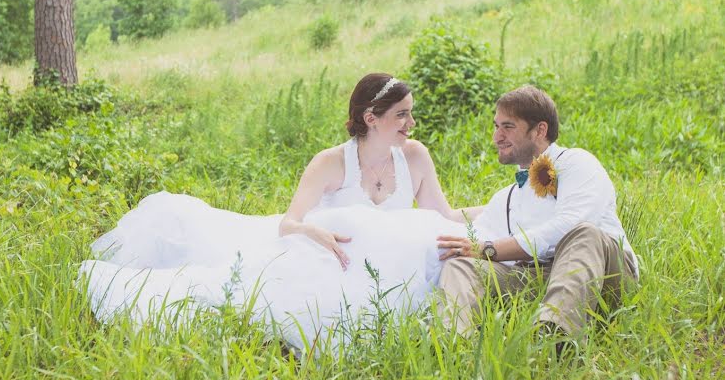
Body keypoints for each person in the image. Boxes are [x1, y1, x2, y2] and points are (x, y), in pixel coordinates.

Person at [79, 73, 474, 350]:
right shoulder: (331, 162)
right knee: (243, 298)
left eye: (411, 112)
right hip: (329, 257)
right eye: (402, 114)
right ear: (372, 118)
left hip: (389, 266)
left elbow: (443, 214)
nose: (412, 122)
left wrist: (499, 205)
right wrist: (314, 232)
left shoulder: (415, 156)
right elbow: (289, 223)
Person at [436, 85, 639, 343]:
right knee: (462, 263)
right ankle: (451, 343)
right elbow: (468, 228)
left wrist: (489, 248)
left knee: (584, 233)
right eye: (496, 126)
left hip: (605, 275)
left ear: (540, 130)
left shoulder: (576, 163)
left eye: (507, 127)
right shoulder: (506, 197)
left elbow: (569, 225)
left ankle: (554, 338)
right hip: (540, 279)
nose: (497, 136)